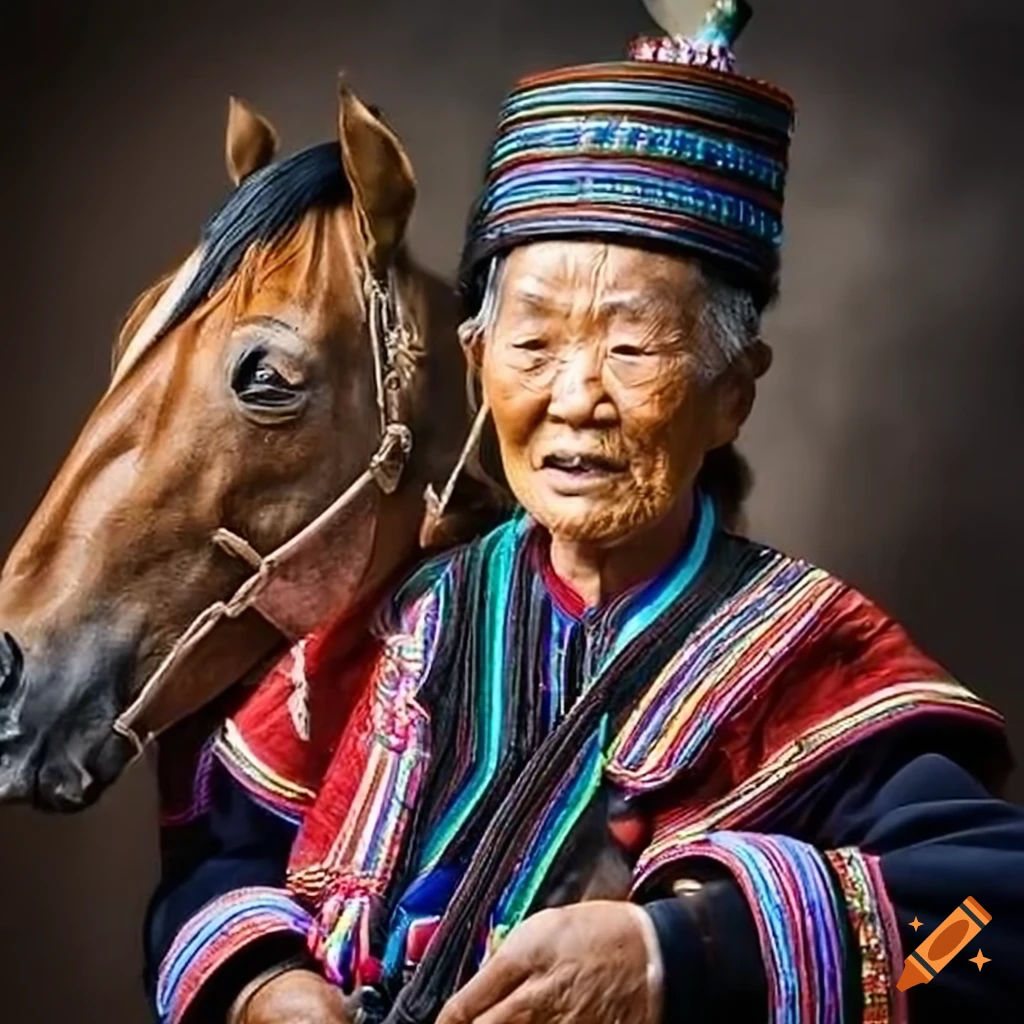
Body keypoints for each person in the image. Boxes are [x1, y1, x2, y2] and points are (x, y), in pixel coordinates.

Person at [144, 3, 1024, 1022]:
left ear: (732, 393)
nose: (575, 397)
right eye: (533, 346)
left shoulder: (813, 662)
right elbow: (217, 861)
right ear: (477, 366)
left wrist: (673, 953)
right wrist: (266, 985)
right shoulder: (393, 626)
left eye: (632, 347)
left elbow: (992, 922)